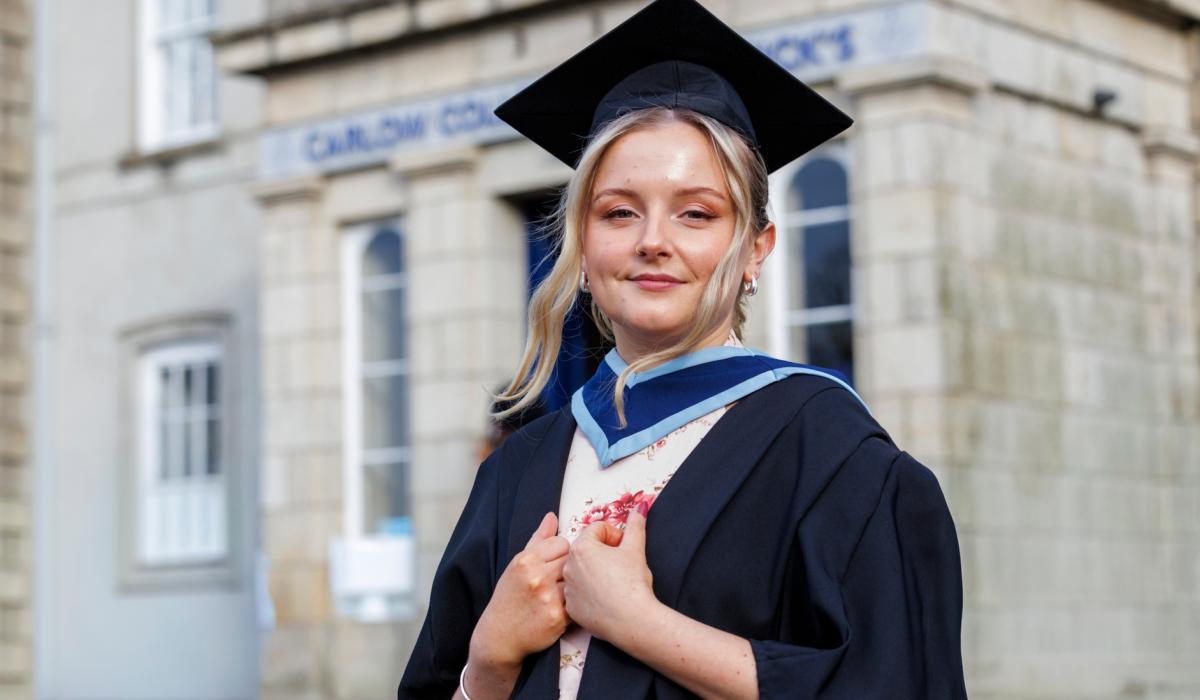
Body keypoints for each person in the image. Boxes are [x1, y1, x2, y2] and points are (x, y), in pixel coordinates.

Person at [399, 0, 968, 697]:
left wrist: (636, 622)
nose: (652, 241)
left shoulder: (829, 452)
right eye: (618, 212)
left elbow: (897, 683)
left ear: (757, 248)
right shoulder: (515, 470)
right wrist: (487, 660)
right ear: (582, 248)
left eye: (696, 213)